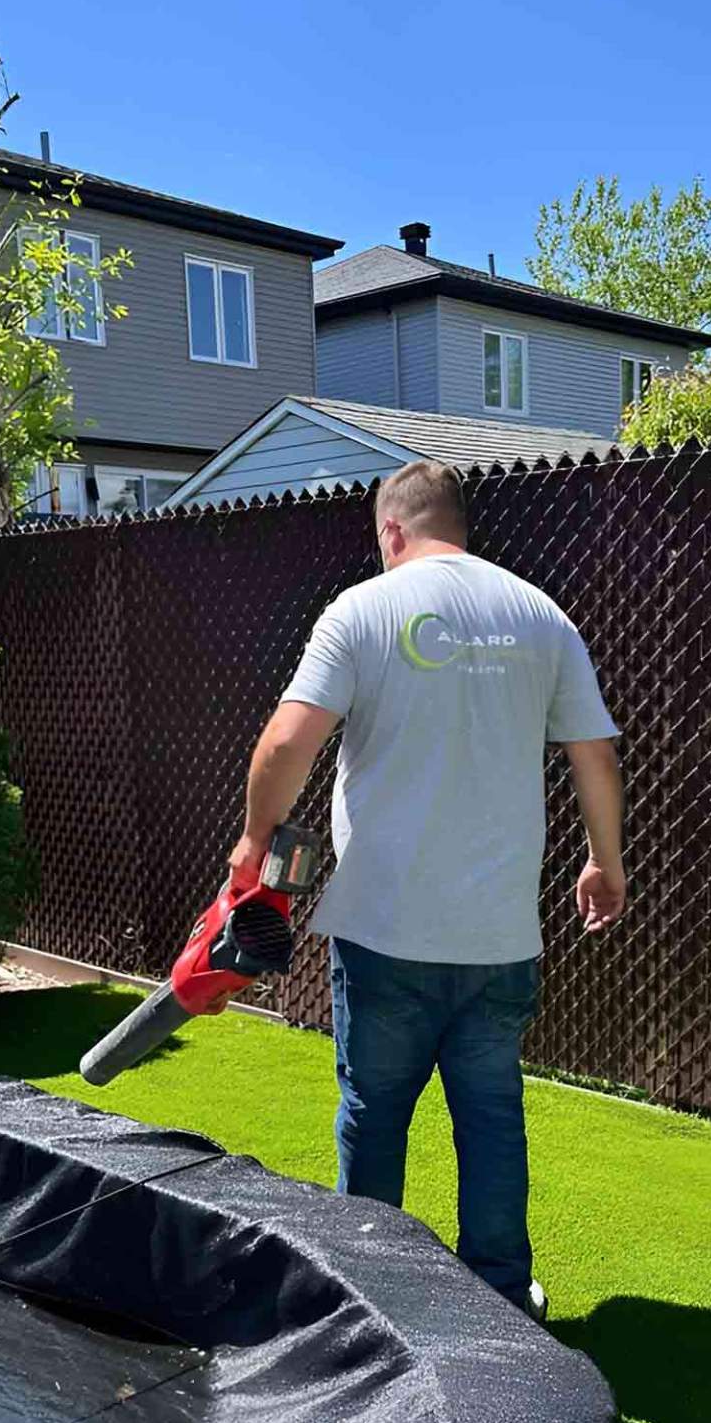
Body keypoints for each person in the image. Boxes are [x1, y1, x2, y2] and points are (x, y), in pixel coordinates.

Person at [228, 460, 626, 1320]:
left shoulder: (361, 610)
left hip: (385, 929)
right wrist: (605, 862)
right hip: (499, 935)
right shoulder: (541, 614)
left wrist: (256, 841)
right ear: (460, 526)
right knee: (491, 1115)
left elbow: (289, 742)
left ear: (392, 530)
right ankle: (503, 1293)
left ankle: (371, 1302)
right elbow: (594, 753)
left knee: (375, 1114)